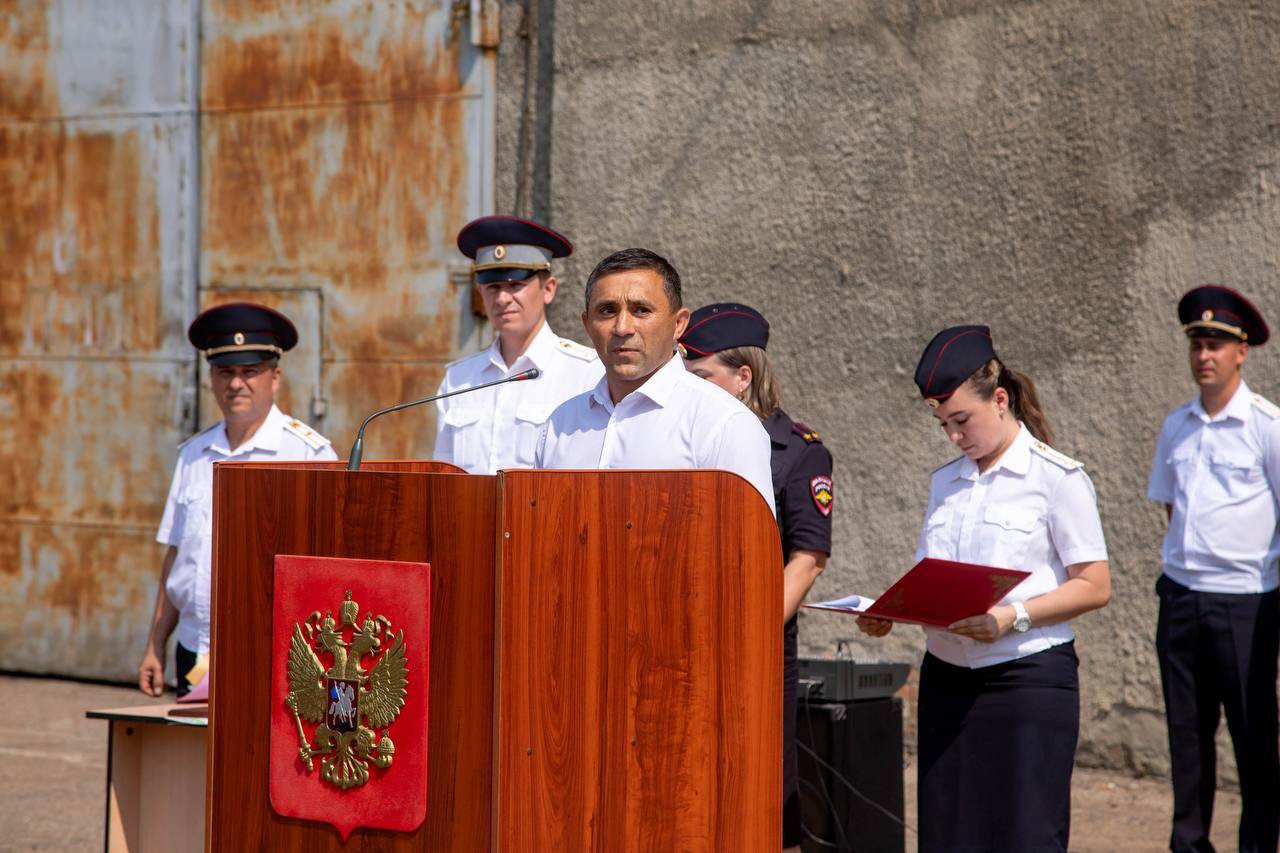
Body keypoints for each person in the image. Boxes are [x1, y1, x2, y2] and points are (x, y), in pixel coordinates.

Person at [856, 325, 1111, 852]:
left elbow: (1094, 585)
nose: (954, 436)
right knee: (949, 834)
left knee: (1024, 834)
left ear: (1000, 400)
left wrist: (1010, 617)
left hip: (1026, 682)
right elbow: (936, 578)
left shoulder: (1057, 478)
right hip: (948, 680)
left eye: (962, 420)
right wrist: (891, 611)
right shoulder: (945, 482)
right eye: (943, 424)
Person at [679, 303, 831, 853]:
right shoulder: (683, 432)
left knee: (760, 782)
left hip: (755, 640)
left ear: (743, 377)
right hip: (685, 632)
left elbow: (808, 557)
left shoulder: (797, 452)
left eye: (701, 377)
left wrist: (750, 625)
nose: (688, 387)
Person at [138, 303, 337, 697]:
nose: (236, 384)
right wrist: (155, 644)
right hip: (194, 652)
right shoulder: (194, 455)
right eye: (225, 372)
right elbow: (178, 557)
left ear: (274, 378)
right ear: (211, 378)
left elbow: (328, 567)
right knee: (196, 758)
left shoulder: (308, 455)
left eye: (249, 372)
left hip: (275, 655)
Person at [1146, 285, 1280, 853]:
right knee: (1188, 741)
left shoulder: (1267, 426)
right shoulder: (1177, 426)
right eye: (1198, 343)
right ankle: (1189, 846)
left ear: (1241, 352)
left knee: (1255, 743)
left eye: (1217, 345)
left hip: (1245, 602)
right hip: (1181, 600)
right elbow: (1173, 508)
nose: (1205, 355)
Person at [534, 248, 773, 511]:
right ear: (587, 325)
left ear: (679, 324)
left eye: (641, 310)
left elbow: (748, 546)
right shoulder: (560, 425)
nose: (623, 327)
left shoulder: (722, 423)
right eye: (607, 310)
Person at [434, 215, 602, 473]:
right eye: (492, 286)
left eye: (515, 285)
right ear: (480, 292)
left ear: (548, 289)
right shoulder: (458, 379)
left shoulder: (584, 373)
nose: (502, 298)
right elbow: (443, 478)